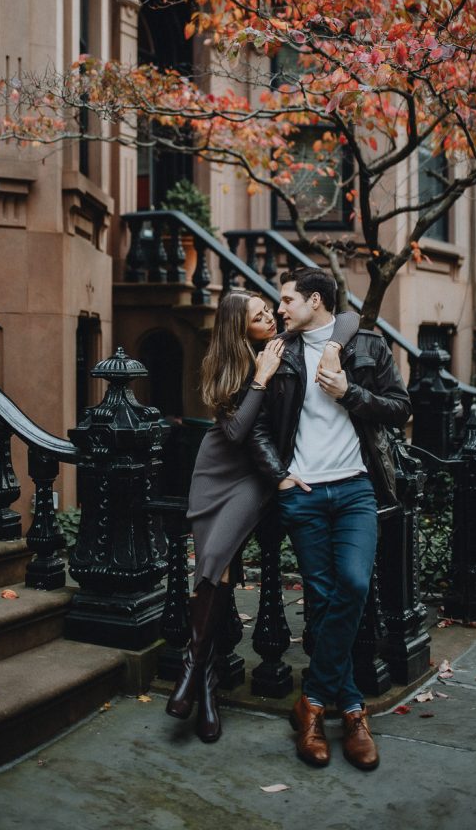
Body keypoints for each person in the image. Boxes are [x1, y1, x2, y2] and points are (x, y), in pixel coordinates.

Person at [165, 290, 359, 743]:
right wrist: (260, 378)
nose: (270, 317)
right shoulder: (228, 363)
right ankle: (205, 682)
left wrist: (330, 347)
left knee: (215, 560)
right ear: (240, 328)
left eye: (268, 310)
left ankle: (193, 673)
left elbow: (348, 319)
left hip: (258, 475)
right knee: (215, 563)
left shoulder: (286, 342)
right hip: (219, 469)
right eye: (258, 316)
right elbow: (233, 432)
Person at [248, 268, 411, 771]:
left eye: (287, 299)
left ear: (314, 300)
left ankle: (315, 702)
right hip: (304, 495)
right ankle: (352, 713)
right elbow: (252, 424)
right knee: (322, 601)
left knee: (355, 584)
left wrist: (348, 393)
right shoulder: (279, 352)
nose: (279, 309)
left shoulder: (366, 345)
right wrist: (278, 476)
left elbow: (400, 408)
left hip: (356, 488)